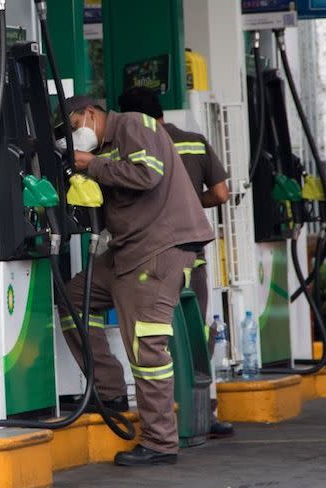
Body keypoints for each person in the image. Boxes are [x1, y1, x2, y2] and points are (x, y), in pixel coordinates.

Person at [56, 95, 215, 465]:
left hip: (157, 249)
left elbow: (147, 173)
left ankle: (160, 443)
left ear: (91, 114)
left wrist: (92, 164)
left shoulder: (132, 125)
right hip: (129, 251)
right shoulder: (110, 147)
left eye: (73, 126)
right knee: (74, 299)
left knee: (147, 348)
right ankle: (110, 391)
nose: (75, 136)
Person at [118, 86, 234, 439]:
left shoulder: (131, 145)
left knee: (155, 342)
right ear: (161, 113)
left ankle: (169, 420)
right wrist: (190, 203)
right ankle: (204, 412)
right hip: (191, 257)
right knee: (195, 337)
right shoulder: (194, 142)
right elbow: (221, 193)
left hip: (149, 257)